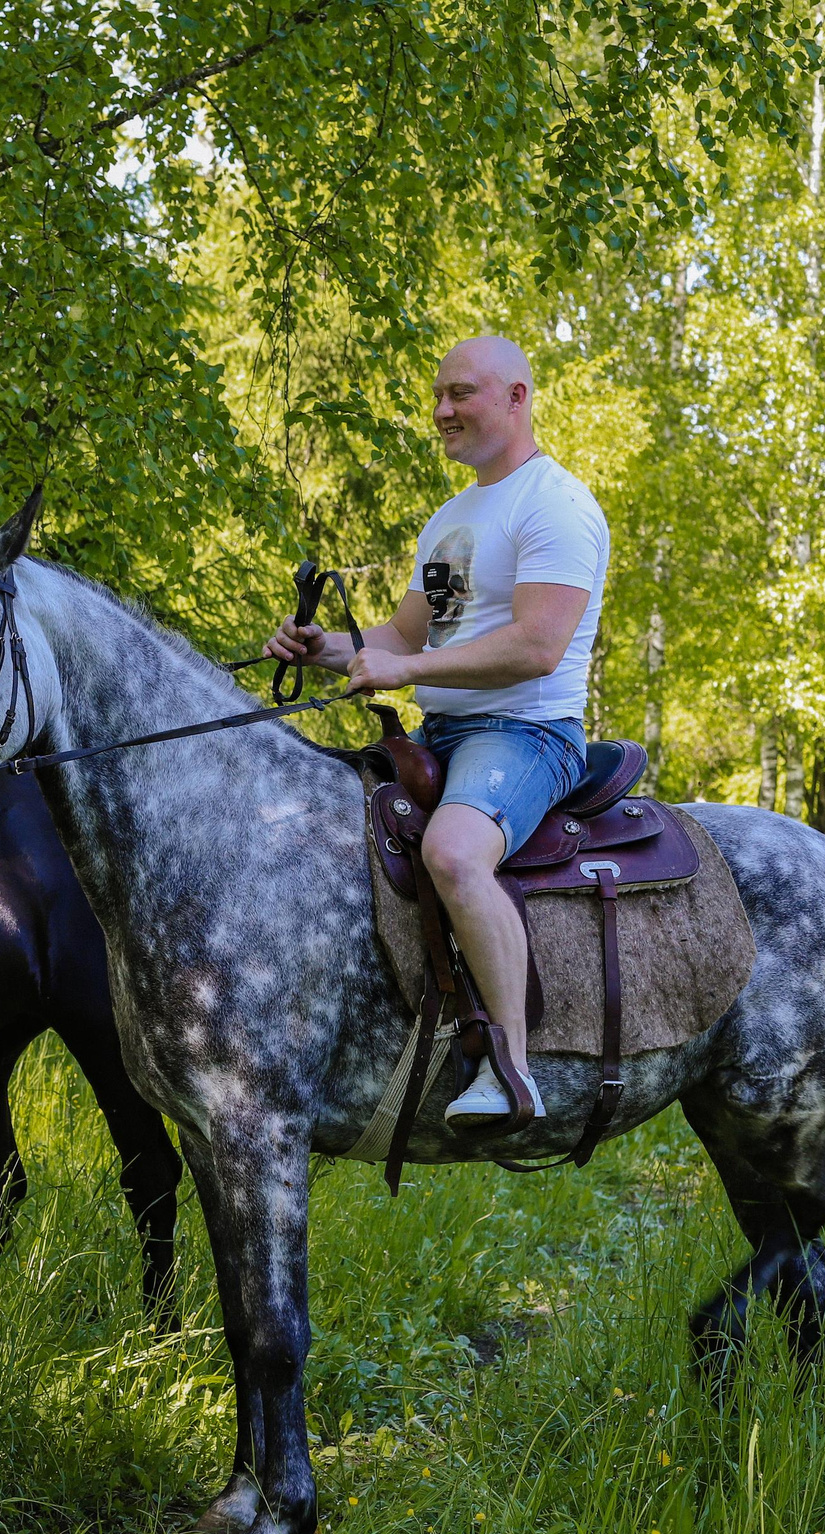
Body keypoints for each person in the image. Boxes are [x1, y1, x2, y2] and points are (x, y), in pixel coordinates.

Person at [265, 334, 610, 1121]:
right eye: (438, 396)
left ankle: (513, 1070)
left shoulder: (554, 504)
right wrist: (323, 650)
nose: (442, 410)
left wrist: (407, 672)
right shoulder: (452, 517)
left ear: (518, 397)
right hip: (443, 736)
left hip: (527, 733)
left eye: (462, 393)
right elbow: (402, 639)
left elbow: (536, 646)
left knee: (453, 852)